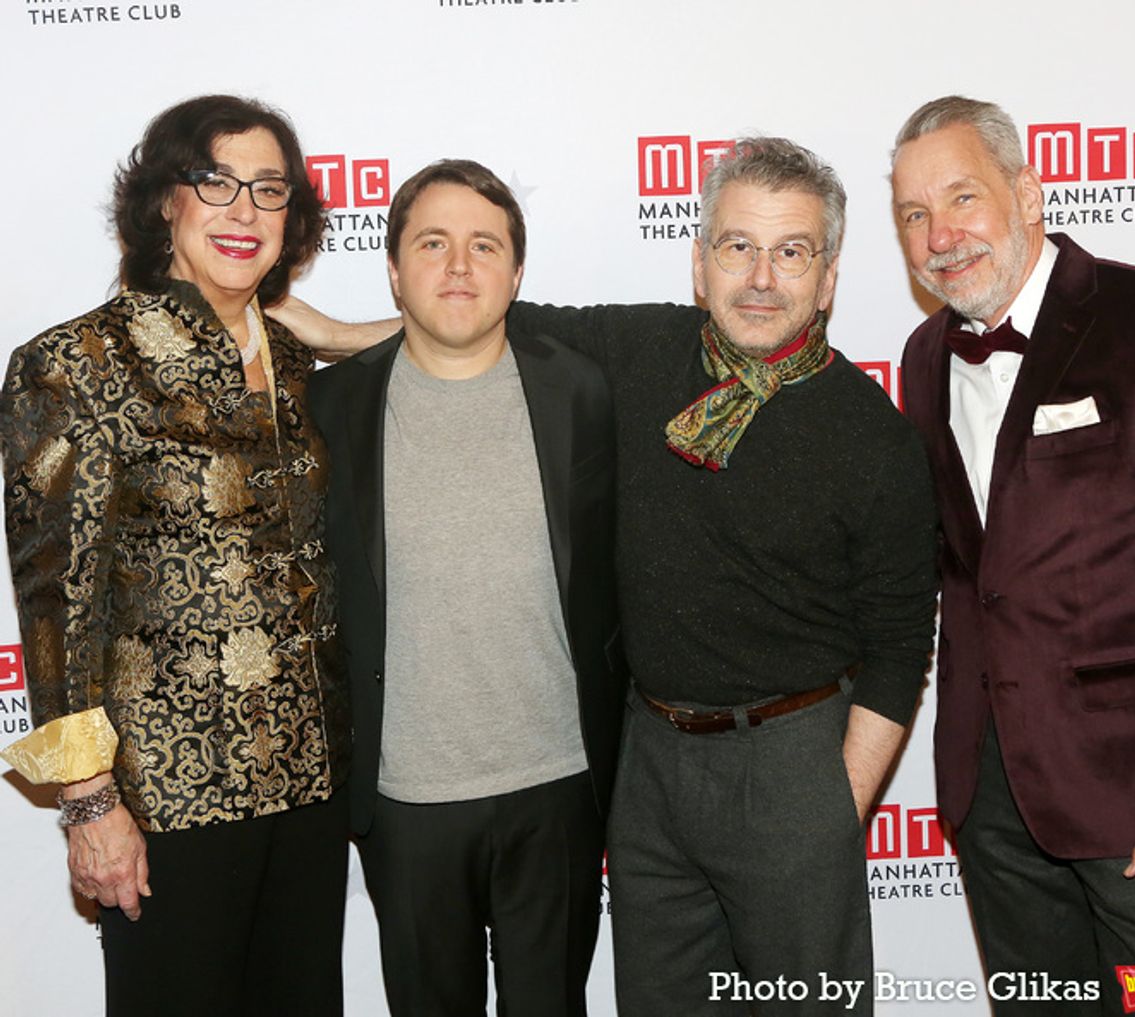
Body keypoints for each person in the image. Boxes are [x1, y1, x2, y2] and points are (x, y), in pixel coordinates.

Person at [275, 138, 938, 1016]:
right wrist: (329, 335)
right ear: (699, 263)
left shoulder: (874, 436)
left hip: (790, 763)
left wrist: (830, 807)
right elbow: (473, 320)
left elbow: (899, 646)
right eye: (738, 246)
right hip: (647, 762)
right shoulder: (639, 351)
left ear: (829, 275)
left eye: (791, 251)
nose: (761, 277)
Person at [0, 95, 349, 1017]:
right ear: (165, 203)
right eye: (215, 182)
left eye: (268, 189)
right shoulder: (77, 363)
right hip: (167, 799)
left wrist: (337, 332)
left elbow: (451, 338)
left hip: (312, 784)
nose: (244, 210)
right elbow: (56, 603)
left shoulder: (299, 364)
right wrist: (87, 803)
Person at [892, 95, 1135, 1013]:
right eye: (914, 215)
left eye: (962, 198)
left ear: (1027, 193)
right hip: (994, 807)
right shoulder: (923, 354)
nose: (941, 235)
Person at [306, 159, 624, 1017]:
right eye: (433, 243)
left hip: (559, 786)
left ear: (516, 273)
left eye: (484, 245)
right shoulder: (326, 410)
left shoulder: (582, 391)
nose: (457, 266)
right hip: (404, 799)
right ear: (394, 268)